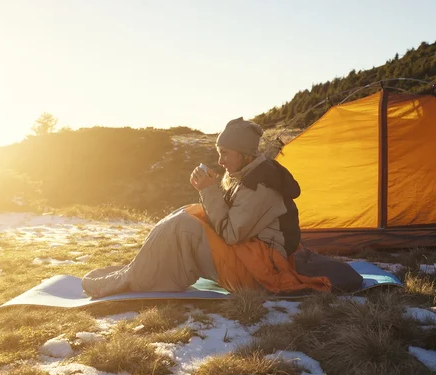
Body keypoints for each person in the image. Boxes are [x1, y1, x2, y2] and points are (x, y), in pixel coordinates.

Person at [81, 117, 331, 298]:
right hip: (251, 256)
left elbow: (232, 233)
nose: (220, 161)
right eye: (218, 152)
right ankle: (138, 272)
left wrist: (208, 191)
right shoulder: (244, 173)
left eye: (225, 153)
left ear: (244, 154)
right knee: (188, 213)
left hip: (260, 272)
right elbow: (223, 216)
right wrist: (210, 189)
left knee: (184, 226)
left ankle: (132, 279)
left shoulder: (260, 185)